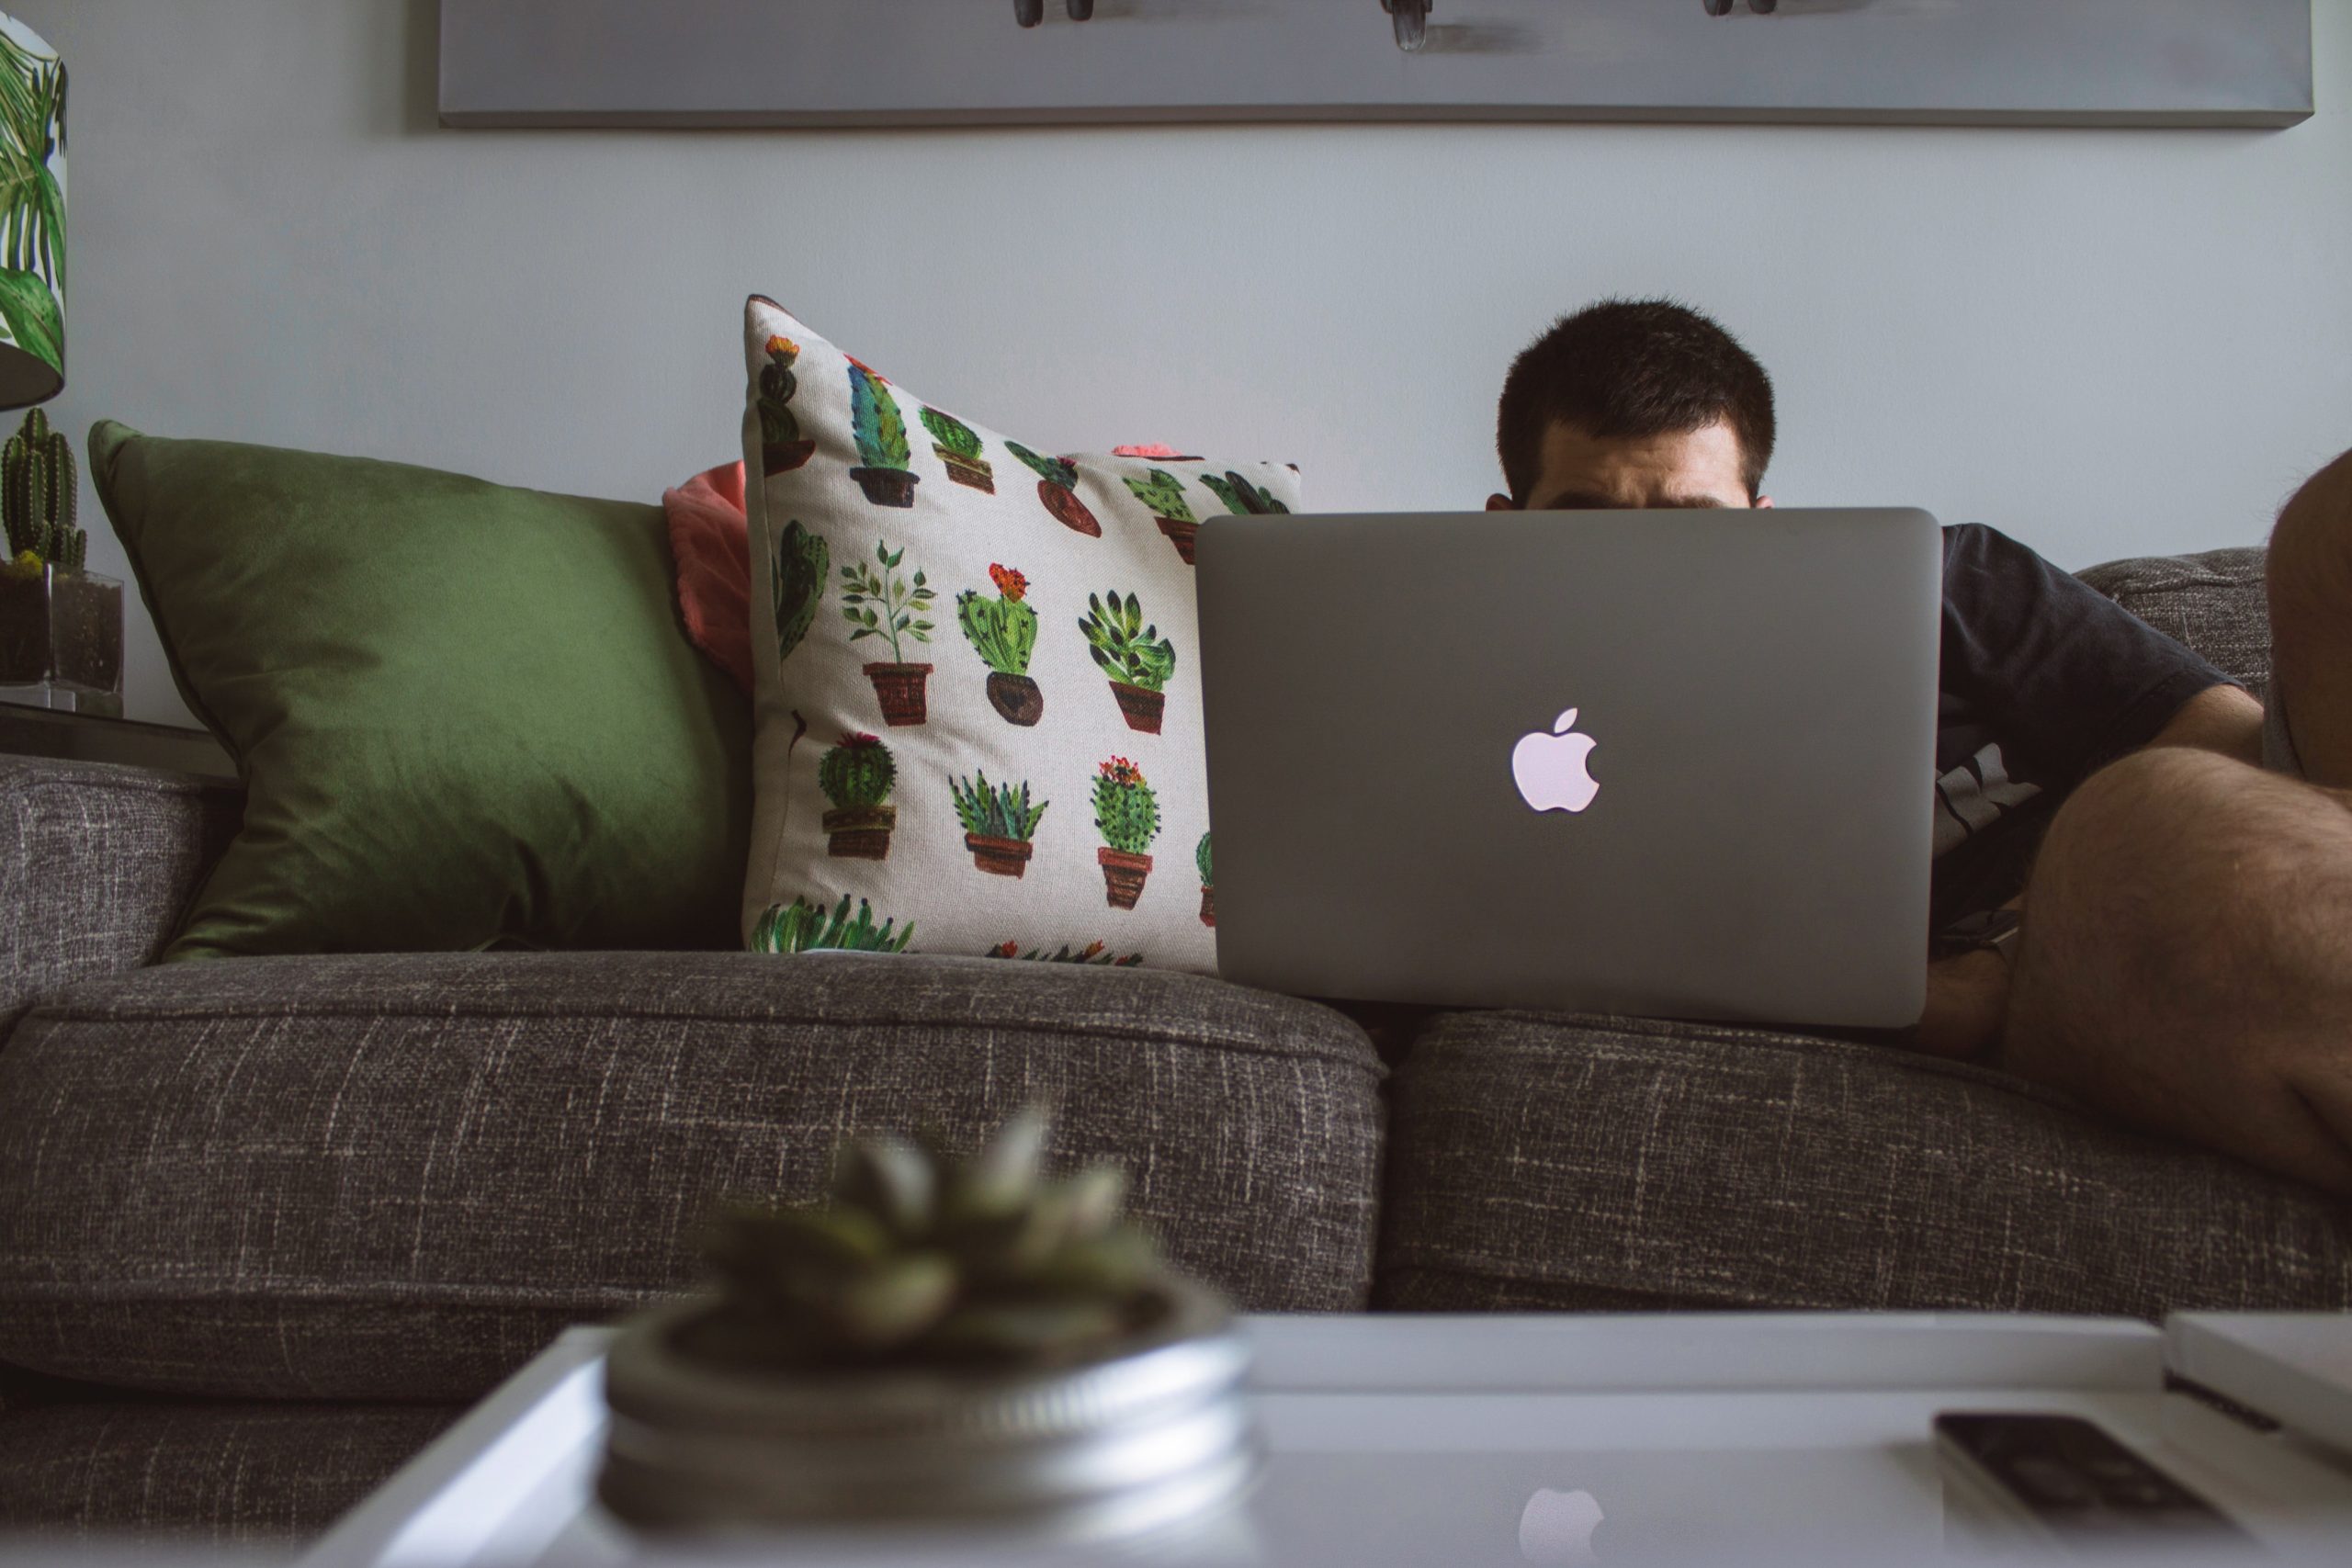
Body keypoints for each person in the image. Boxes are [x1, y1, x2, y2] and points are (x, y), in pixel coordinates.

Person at [1491, 299, 2349, 1194]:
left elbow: (2227, 737)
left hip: (2136, 897)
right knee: (2135, 828)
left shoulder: (1943, 581)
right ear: (1506, 532)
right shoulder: (1486, 727)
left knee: (2331, 527)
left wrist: (1992, 968)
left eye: (1693, 525)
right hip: (2095, 971)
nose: (1644, 579)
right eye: (1586, 524)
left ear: (1764, 519)